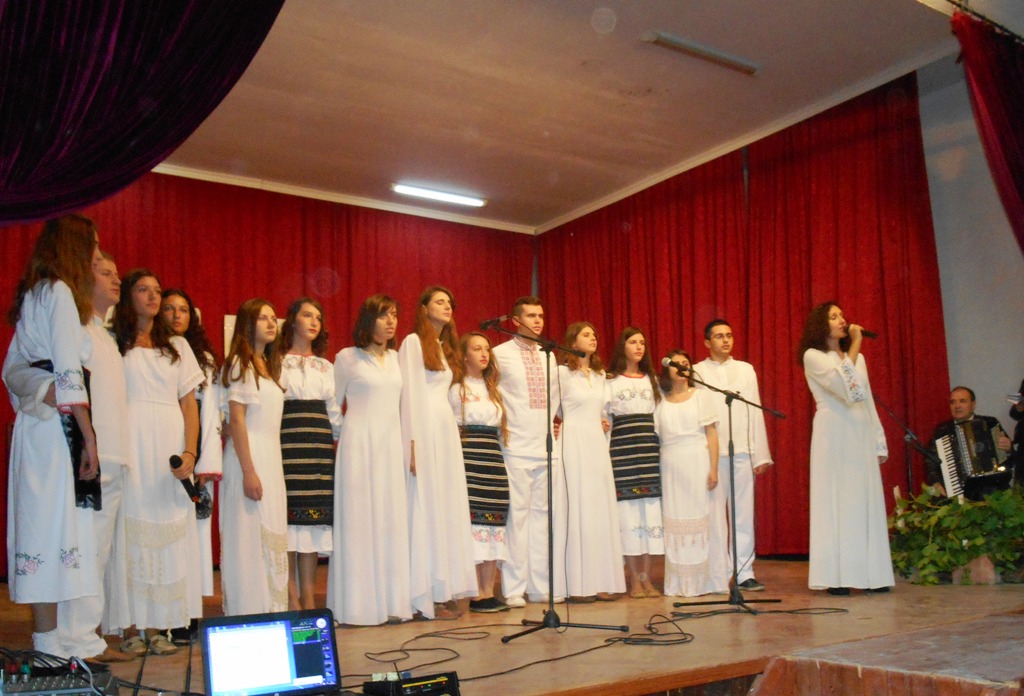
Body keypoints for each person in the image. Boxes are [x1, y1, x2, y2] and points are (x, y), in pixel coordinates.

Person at [3, 215, 100, 658]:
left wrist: (40, 392)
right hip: (58, 428)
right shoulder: (58, 292)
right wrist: (88, 434)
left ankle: (50, 641)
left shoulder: (32, 293)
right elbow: (66, 366)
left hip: (37, 426)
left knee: (44, 527)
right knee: (54, 527)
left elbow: (13, 369)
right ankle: (51, 646)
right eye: (92, 247)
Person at [113, 269, 202, 654]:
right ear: (127, 296)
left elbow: (189, 405)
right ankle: (130, 629)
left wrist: (190, 451)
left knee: (167, 532)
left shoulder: (178, 346)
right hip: (130, 443)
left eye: (157, 290)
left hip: (169, 445)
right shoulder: (113, 342)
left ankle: (157, 628)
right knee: (130, 533)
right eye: (143, 289)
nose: (153, 297)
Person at [327, 295, 412, 625]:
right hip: (358, 447)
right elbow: (332, 403)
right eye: (383, 315)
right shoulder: (347, 357)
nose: (391, 321)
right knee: (359, 521)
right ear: (368, 320)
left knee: (390, 521)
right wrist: (347, 431)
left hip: (390, 447)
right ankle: (358, 606)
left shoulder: (397, 359)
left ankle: (391, 602)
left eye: (394, 315)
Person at [798, 301, 892, 596]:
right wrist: (856, 343)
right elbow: (845, 388)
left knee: (864, 500)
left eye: (842, 315)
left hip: (859, 430)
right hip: (834, 433)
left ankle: (872, 575)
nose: (842, 320)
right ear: (820, 324)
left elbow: (865, 399)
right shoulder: (813, 356)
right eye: (834, 316)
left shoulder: (857, 359)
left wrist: (878, 437)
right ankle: (837, 576)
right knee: (837, 501)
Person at [399, 286, 476, 620]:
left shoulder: (446, 348)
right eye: (439, 301)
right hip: (424, 428)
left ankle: (445, 589)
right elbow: (408, 396)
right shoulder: (413, 343)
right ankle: (424, 594)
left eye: (449, 302)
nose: (447, 306)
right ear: (423, 307)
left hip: (444, 431)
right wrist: (412, 443)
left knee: (444, 507)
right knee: (425, 506)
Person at [491, 296, 567, 607]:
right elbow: (491, 395)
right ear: (515, 321)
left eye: (541, 316)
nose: (537, 321)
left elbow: (556, 401)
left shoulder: (549, 356)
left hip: (545, 447)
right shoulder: (499, 355)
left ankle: (540, 586)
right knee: (517, 518)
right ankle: (513, 588)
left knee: (542, 518)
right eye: (531, 316)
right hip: (514, 446)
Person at [219, 298, 289, 615]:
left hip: (271, 457)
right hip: (249, 456)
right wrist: (249, 471)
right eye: (263, 318)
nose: (271, 323)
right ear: (248, 324)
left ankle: (271, 609)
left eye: (273, 318)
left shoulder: (269, 367)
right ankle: (248, 611)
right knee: (248, 537)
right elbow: (237, 420)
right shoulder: (240, 364)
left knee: (270, 532)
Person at [695, 319, 773, 592]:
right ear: (707, 342)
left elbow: (755, 409)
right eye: (719, 336)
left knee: (743, 514)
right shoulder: (697, 371)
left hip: (741, 450)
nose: (726, 340)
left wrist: (759, 454)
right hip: (712, 455)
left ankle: (743, 572)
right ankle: (718, 572)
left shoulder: (745, 370)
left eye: (729, 335)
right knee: (715, 516)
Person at [161, 288, 222, 635]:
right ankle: (162, 614)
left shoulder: (206, 361)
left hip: (195, 450)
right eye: (169, 309)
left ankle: (189, 613)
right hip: (161, 443)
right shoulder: (152, 352)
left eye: (183, 309)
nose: (176, 315)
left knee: (195, 537)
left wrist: (204, 462)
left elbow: (211, 413)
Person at [274, 298, 341, 610]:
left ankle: (310, 600)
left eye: (318, 317)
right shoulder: (275, 361)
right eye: (306, 315)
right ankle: (291, 601)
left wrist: (343, 441)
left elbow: (333, 412)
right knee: (288, 527)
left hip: (318, 450)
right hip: (287, 445)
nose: (314, 322)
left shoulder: (326, 367)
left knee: (312, 527)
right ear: (292, 320)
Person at [558, 322, 625, 602]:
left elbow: (603, 411)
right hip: (573, 442)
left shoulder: (599, 376)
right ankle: (577, 584)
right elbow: (551, 409)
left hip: (596, 444)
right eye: (586, 335)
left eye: (594, 334)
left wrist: (603, 421)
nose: (593, 338)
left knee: (598, 509)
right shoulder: (562, 373)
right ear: (573, 342)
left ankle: (600, 580)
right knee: (577, 507)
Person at [655, 350, 727, 597]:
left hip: (697, 461)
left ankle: (708, 582)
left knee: (705, 518)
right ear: (667, 369)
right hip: (671, 466)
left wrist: (713, 468)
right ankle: (679, 583)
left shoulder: (701, 396)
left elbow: (711, 434)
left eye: (685, 363)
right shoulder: (660, 401)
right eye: (676, 364)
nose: (681, 367)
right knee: (675, 518)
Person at [448, 332, 511, 613]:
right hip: (469, 459)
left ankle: (488, 590)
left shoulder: (494, 390)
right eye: (477, 349)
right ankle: (474, 592)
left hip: (493, 460)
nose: (484, 354)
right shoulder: (455, 389)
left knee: (494, 525)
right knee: (474, 525)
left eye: (487, 349)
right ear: (464, 356)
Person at [605, 327, 664, 599]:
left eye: (642, 342)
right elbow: (604, 417)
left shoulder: (652, 380)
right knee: (629, 517)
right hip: (623, 454)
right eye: (632, 342)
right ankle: (634, 581)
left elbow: (659, 417)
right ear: (622, 346)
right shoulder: (610, 381)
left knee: (650, 516)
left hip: (649, 454)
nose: (639, 347)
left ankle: (646, 578)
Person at [926, 386, 1013, 501]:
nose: (957, 406)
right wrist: (935, 482)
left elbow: (1010, 460)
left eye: (962, 401)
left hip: (993, 489)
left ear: (973, 404)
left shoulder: (990, 423)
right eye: (953, 402)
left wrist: (1008, 449)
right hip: (960, 492)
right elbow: (931, 461)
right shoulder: (942, 430)